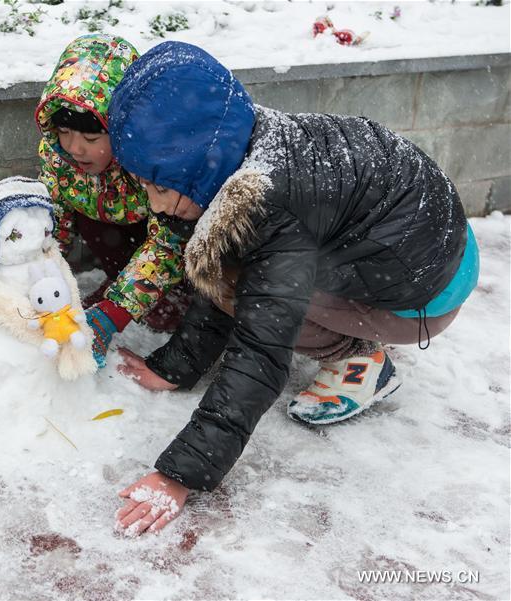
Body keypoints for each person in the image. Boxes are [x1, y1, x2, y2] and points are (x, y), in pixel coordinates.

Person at [106, 41, 479, 535]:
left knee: (261, 299)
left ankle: (360, 358)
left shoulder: (277, 204)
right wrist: (172, 370)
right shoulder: (239, 146)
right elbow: (221, 267)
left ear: (201, 166)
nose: (154, 205)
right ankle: (349, 328)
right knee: (242, 278)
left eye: (159, 186)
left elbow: (261, 351)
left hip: (425, 293)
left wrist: (179, 473)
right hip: (423, 244)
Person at [34, 34, 191, 365]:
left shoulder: (152, 160)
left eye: (91, 137)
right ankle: (119, 280)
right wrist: (40, 281)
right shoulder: (58, 156)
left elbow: (168, 244)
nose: (75, 148)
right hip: (113, 240)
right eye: (64, 133)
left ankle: (164, 297)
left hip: (165, 250)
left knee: (174, 313)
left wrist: (113, 313)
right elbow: (51, 221)